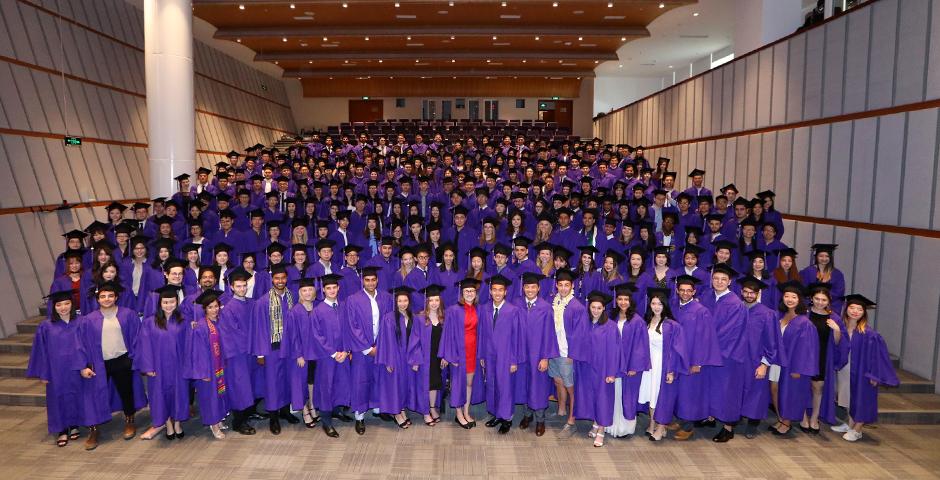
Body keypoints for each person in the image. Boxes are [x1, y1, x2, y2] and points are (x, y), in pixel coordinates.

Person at [76, 281, 147, 450]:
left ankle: (129, 420)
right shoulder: (88, 320)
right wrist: (83, 366)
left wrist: (135, 358)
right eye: (103, 296)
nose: (106, 299)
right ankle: (94, 429)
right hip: (98, 363)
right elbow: (81, 344)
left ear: (116, 297)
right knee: (94, 395)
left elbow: (138, 338)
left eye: (110, 296)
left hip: (122, 359)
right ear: (98, 299)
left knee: (126, 392)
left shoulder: (128, 314)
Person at [830, 294, 899, 441]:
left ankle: (858, 429)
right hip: (845, 368)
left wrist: (875, 375)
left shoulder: (869, 334)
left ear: (864, 313)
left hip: (863, 372)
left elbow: (878, 356)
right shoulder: (842, 328)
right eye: (852, 308)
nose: (855, 311)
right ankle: (850, 424)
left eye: (859, 309)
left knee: (862, 398)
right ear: (846, 309)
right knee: (848, 396)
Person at [249, 264, 305, 435]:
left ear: (286, 279)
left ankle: (285, 412)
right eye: (277, 278)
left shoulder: (292, 296)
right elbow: (259, 328)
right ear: (272, 279)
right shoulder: (263, 301)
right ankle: (273, 417)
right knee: (273, 383)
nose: (280, 281)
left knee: (288, 380)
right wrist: (260, 353)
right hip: (272, 349)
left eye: (283, 278)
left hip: (290, 347)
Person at [26, 290, 85, 447]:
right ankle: (62, 430)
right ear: (54, 307)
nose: (63, 307)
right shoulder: (46, 326)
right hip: (56, 370)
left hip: (76, 368)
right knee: (57, 399)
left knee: (76, 395)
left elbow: (89, 346)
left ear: (72, 304)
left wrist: (86, 365)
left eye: (66, 303)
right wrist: (44, 373)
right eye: (59, 305)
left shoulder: (81, 322)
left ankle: (74, 425)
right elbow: (41, 351)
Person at [699, 263, 748, 443]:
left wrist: (709, 346)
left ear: (730, 282)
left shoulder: (735, 303)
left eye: (723, 279)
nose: (719, 282)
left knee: (727, 390)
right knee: (711, 387)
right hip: (709, 352)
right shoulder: (707, 296)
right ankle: (711, 417)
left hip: (726, 355)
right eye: (716, 279)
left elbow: (730, 332)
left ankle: (728, 427)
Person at [342, 265, 394, 435]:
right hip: (361, 350)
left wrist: (381, 346)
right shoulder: (353, 299)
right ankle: (360, 416)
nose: (370, 283)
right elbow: (352, 326)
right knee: (361, 381)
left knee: (380, 378)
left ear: (377, 280)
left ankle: (379, 408)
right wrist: (366, 348)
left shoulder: (386, 297)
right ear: (362, 281)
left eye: (373, 280)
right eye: (367, 280)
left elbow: (388, 323)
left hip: (381, 347)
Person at [135, 285, 190, 441]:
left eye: (172, 302)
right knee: (160, 396)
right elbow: (144, 346)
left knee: (179, 395)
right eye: (165, 302)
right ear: (160, 303)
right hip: (158, 368)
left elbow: (188, 345)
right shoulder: (149, 322)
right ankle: (168, 425)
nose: (168, 305)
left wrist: (188, 365)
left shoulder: (183, 321)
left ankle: (178, 424)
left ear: (177, 302)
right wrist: (148, 367)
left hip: (178, 367)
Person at [670, 274, 721, 441]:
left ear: (694, 292)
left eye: (688, 291)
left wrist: (698, 362)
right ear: (677, 291)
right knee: (679, 391)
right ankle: (680, 419)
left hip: (692, 359)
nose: (685, 293)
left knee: (690, 392)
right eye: (682, 290)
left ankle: (688, 426)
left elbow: (705, 338)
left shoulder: (701, 311)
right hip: (677, 357)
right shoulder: (674, 306)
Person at [300, 274, 351, 438]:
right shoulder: (318, 311)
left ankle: (337, 411)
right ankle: (327, 421)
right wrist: (334, 353)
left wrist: (347, 350)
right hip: (326, 357)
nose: (332, 290)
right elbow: (316, 336)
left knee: (341, 384)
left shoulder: (344, 307)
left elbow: (350, 330)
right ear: (323, 290)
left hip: (343, 354)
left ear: (338, 288)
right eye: (328, 288)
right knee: (326, 387)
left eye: (334, 287)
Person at [770, 281, 819, 436]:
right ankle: (781, 418)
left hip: (792, 365)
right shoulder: (781, 316)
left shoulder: (804, 322)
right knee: (774, 389)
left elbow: (806, 349)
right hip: (778, 361)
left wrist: (798, 369)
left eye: (794, 297)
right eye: (787, 296)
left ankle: (787, 422)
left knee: (788, 392)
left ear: (799, 300)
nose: (789, 299)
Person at [638, 288, 687, 441]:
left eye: (660, 304)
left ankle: (661, 428)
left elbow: (677, 350)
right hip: (649, 365)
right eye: (653, 303)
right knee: (651, 395)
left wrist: (671, 371)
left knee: (662, 396)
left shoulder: (672, 325)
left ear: (665, 305)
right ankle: (652, 424)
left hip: (663, 365)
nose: (656, 307)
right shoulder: (646, 322)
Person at [736, 275, 781, 439]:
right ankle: (738, 417)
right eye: (746, 292)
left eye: (752, 292)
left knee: (756, 392)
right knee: (738, 389)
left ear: (758, 293)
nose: (749, 295)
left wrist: (765, 364)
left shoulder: (767, 314)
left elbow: (772, 342)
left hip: (756, 360)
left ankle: (752, 424)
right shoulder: (737, 309)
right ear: (741, 292)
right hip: (738, 360)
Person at [478, 274, 523, 434]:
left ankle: (507, 418)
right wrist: (482, 355)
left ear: (505, 292)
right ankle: (497, 413)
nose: (497, 293)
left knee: (505, 387)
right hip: (489, 355)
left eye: (500, 290)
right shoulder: (485, 308)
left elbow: (516, 337)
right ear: (490, 292)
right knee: (492, 384)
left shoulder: (513, 310)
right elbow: (482, 333)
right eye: (494, 290)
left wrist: (513, 360)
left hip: (506, 356)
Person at [515, 272, 558, 437]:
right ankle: (527, 415)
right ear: (523, 288)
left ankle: (540, 420)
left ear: (538, 288)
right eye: (527, 287)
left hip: (538, 355)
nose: (530, 290)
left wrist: (546, 357)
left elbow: (549, 334)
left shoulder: (545, 307)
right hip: (522, 354)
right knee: (524, 384)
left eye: (533, 287)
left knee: (538, 387)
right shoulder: (517, 305)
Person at [217, 268, 260, 435]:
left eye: (244, 285)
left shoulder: (252, 303)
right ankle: (238, 421)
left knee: (251, 384)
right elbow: (233, 334)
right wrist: (252, 345)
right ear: (232, 287)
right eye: (239, 286)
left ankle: (248, 414)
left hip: (251, 352)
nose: (242, 289)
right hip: (237, 355)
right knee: (239, 386)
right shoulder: (228, 308)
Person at [440, 277, 484, 429]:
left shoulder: (479, 309)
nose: (470, 293)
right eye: (467, 291)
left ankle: (466, 411)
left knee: (469, 383)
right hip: (458, 351)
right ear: (462, 293)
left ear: (475, 293)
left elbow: (483, 333)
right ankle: (458, 414)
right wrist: (449, 355)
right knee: (458, 383)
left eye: (472, 291)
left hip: (473, 350)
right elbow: (447, 333)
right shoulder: (453, 310)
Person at [550, 268, 589, 438]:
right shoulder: (554, 301)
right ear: (556, 285)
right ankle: (560, 410)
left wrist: (572, 355)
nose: (563, 288)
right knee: (558, 381)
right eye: (560, 285)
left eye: (567, 285)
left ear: (572, 286)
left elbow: (580, 334)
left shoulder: (577, 307)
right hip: (554, 350)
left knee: (570, 386)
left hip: (567, 353)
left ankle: (572, 420)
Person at [186, 289, 230, 440]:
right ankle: (213, 424)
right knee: (210, 397)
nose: (214, 309)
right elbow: (198, 353)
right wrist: (204, 372)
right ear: (204, 309)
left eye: (216, 306)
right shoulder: (201, 326)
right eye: (210, 307)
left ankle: (219, 419)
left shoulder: (218, 321)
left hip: (218, 365)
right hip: (207, 369)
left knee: (219, 394)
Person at [804, 282, 848, 433]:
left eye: (823, 300)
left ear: (829, 301)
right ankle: (803, 416)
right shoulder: (804, 313)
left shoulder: (834, 317)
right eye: (817, 299)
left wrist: (836, 330)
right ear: (811, 299)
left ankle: (814, 417)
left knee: (818, 387)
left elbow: (838, 343)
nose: (820, 302)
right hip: (804, 356)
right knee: (802, 386)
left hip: (822, 356)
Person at [608, 283, 650, 439]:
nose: (623, 302)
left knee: (627, 395)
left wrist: (634, 366)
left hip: (629, 366)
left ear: (631, 301)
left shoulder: (637, 321)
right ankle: (611, 425)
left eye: (626, 299)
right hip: (613, 363)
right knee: (614, 394)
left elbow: (641, 346)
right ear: (616, 300)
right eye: (620, 299)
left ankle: (625, 428)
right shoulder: (611, 317)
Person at [376, 286, 416, 428]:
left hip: (407, 358)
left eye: (405, 300)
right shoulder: (389, 318)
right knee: (395, 385)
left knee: (404, 385)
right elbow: (385, 341)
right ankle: (396, 413)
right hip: (395, 357)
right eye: (400, 301)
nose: (403, 303)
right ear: (396, 302)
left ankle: (402, 409)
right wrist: (388, 361)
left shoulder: (412, 317)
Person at [584, 291, 620, 447]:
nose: (596, 311)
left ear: (604, 308)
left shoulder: (610, 326)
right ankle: (595, 422)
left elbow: (615, 351)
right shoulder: (587, 323)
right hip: (589, 368)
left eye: (599, 308)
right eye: (593, 307)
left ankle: (602, 429)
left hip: (604, 369)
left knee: (603, 399)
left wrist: (611, 373)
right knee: (593, 396)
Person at [409, 284, 448, 426]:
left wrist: (445, 356)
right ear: (427, 302)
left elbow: (448, 339)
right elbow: (415, 340)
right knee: (424, 384)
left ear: (440, 302)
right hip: (425, 358)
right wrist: (416, 360)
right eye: (431, 300)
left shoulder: (444, 318)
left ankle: (432, 408)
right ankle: (425, 412)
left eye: (436, 300)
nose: (434, 303)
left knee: (435, 384)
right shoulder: (420, 318)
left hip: (438, 357)